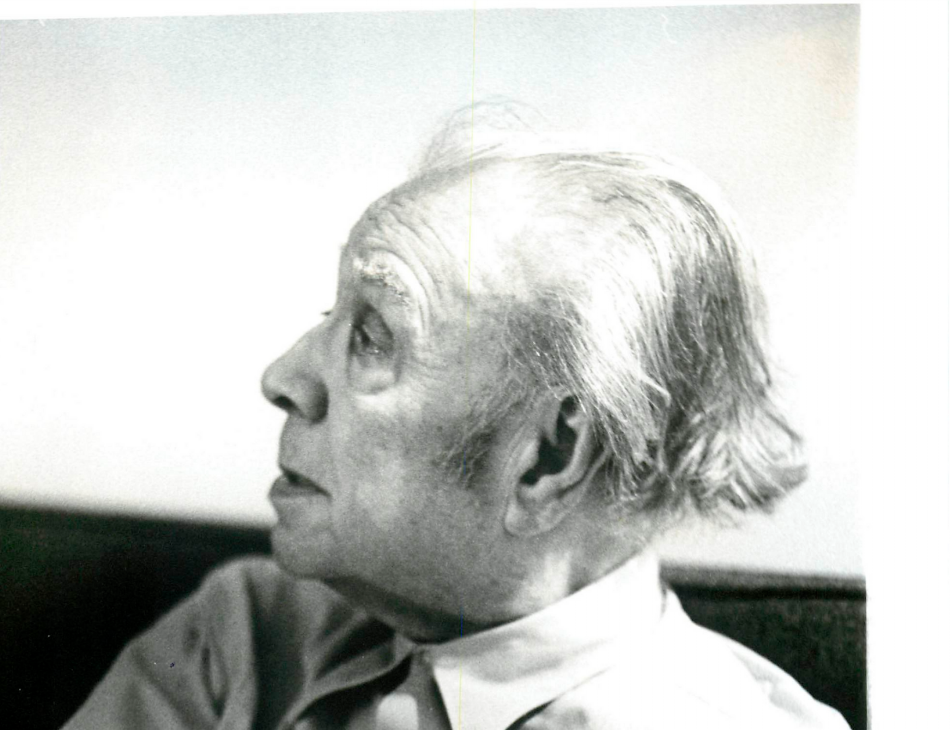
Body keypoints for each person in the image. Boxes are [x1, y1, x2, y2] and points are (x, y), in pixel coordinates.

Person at [62, 104, 850, 730]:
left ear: (547, 458)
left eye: (374, 334)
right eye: (331, 316)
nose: (283, 378)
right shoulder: (242, 636)